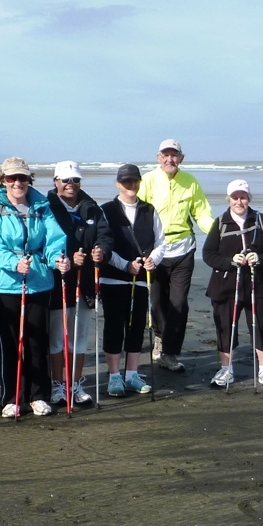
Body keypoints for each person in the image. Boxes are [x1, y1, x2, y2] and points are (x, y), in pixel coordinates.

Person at [0, 157, 70, 417]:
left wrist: (58, 259)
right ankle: (11, 397)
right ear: (3, 180)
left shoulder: (42, 205)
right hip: (5, 283)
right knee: (9, 342)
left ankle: (38, 395)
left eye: (22, 178)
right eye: (11, 178)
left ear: (30, 179)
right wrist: (13, 262)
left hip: (38, 281)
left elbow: (54, 239)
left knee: (38, 341)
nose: (17, 183)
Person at [138, 139, 214, 372]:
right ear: (158, 157)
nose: (170, 159)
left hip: (183, 249)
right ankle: (160, 337)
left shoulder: (191, 182)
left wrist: (218, 234)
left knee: (179, 303)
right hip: (156, 250)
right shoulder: (148, 180)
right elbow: (140, 212)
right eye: (165, 155)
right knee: (158, 302)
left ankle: (169, 352)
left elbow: (201, 213)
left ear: (181, 158)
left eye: (174, 155)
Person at [202, 180, 263, 388]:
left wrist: (259, 258)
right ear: (228, 199)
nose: (239, 201)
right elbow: (208, 255)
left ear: (249, 198)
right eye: (235, 197)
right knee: (225, 327)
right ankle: (226, 370)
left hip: (259, 283)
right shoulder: (220, 222)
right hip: (226, 286)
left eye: (243, 197)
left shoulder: (261, 220)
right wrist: (230, 261)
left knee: (262, 326)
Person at [46, 160, 113, 405]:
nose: (70, 184)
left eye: (75, 180)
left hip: (85, 281)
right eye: (65, 180)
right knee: (57, 337)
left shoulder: (92, 208)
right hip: (57, 280)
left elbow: (105, 236)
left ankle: (74, 384)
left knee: (80, 336)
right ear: (56, 182)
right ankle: (56, 384)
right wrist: (68, 255)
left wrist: (101, 252)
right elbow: (45, 241)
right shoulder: (47, 207)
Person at [99, 164, 166, 396]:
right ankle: (115, 376)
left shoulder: (149, 210)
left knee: (138, 327)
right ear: (118, 184)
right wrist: (125, 265)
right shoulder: (106, 210)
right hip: (113, 280)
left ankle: (132, 375)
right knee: (114, 327)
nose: (131, 185)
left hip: (141, 281)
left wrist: (152, 260)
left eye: (135, 181)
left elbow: (161, 243)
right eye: (126, 181)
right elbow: (104, 245)